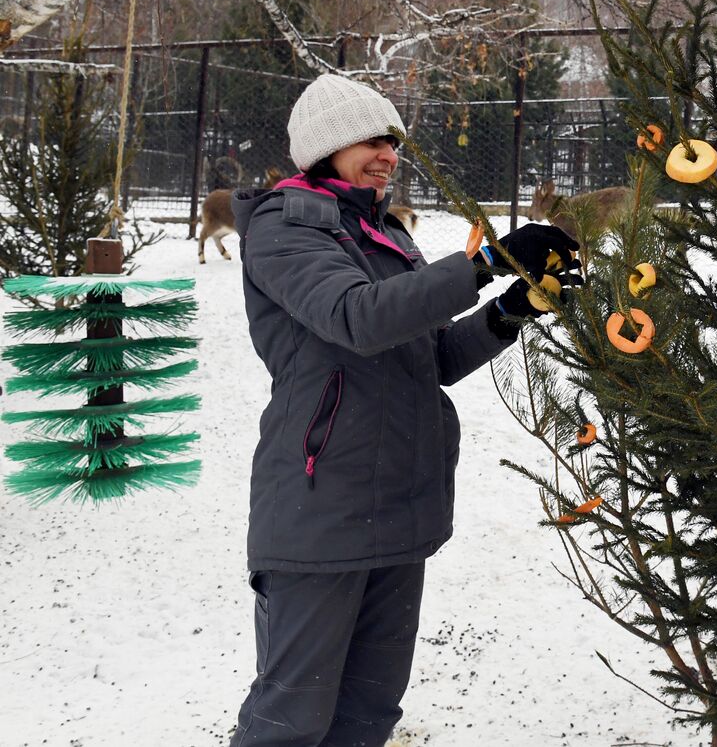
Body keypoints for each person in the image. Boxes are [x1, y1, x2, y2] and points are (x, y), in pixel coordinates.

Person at [228, 74, 580, 746]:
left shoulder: (383, 230)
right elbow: (358, 318)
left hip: (399, 510)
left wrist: (511, 310)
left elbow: (432, 357)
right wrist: (485, 261)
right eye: (371, 139)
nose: (389, 153)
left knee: (368, 714)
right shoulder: (283, 224)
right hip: (319, 510)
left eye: (393, 141)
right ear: (326, 146)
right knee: (290, 722)